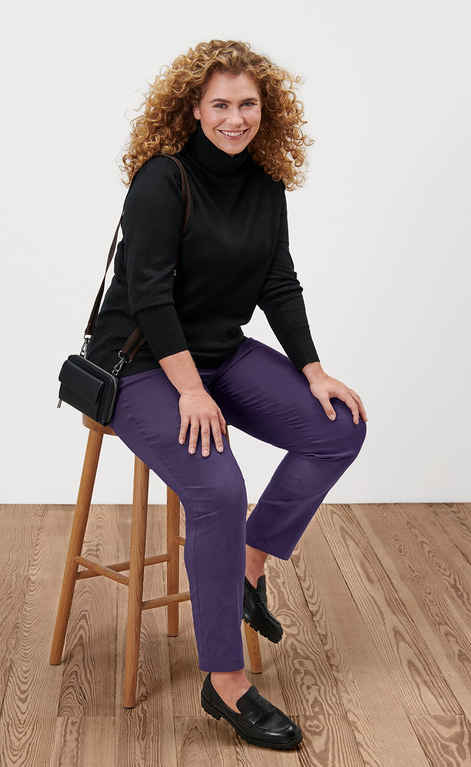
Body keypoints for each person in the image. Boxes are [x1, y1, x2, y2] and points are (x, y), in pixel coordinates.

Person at [86, 39, 368, 750]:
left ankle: (246, 566)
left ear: (265, 110)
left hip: (219, 353)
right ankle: (227, 681)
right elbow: (148, 294)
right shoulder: (162, 179)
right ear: (194, 108)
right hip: (142, 364)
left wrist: (312, 370)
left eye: (247, 104)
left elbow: (278, 284)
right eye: (221, 105)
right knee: (217, 485)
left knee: (338, 426)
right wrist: (189, 389)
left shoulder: (266, 186)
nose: (235, 118)